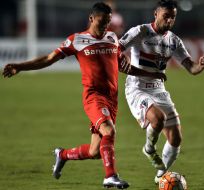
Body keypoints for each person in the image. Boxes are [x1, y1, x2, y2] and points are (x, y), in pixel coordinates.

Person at [2, 2, 166, 189]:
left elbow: (123, 66)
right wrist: (19, 67)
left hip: (112, 99)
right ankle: (110, 176)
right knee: (109, 131)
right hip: (93, 97)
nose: (105, 26)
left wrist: (152, 74)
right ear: (91, 18)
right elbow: (48, 59)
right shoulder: (76, 40)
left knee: (96, 150)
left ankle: (62, 155)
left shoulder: (112, 38)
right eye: (101, 22)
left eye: (108, 22)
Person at [119, 0, 204, 184]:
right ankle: (149, 148)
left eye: (172, 17)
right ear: (156, 14)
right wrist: (122, 59)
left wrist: (200, 66)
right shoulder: (141, 31)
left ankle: (161, 177)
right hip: (137, 88)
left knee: (176, 137)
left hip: (159, 90)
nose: (169, 20)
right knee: (157, 118)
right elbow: (117, 48)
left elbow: (191, 67)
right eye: (165, 16)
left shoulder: (174, 41)